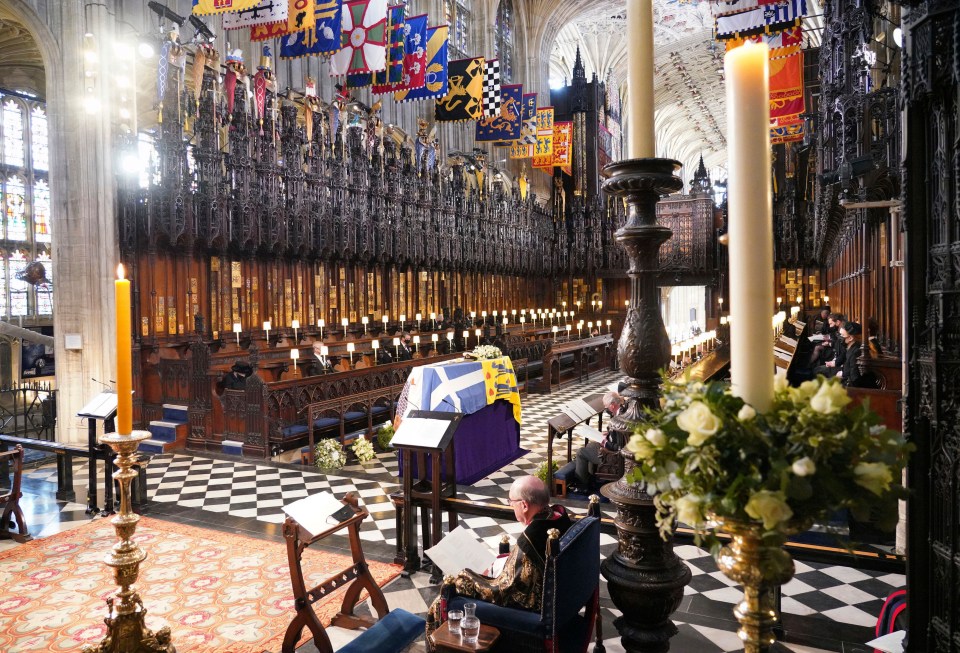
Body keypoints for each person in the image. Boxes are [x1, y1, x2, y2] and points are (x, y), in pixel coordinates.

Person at [425, 476, 572, 645]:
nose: (511, 506)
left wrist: (467, 577)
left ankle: (441, 647)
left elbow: (505, 592)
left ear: (524, 505)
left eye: (511, 502)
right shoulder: (558, 516)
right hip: (562, 598)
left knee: (443, 598)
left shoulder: (530, 539)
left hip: (534, 612)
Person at [573, 391, 624, 493]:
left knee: (581, 452)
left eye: (606, 407)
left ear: (613, 406)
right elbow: (618, 436)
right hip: (613, 448)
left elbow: (618, 446)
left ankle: (582, 486)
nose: (606, 409)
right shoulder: (622, 411)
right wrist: (609, 434)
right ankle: (592, 480)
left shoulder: (619, 419)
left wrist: (605, 442)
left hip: (614, 456)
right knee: (590, 445)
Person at [836, 321, 863, 387]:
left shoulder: (856, 352)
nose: (840, 337)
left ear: (850, 338)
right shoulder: (850, 347)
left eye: (842, 335)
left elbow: (854, 378)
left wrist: (842, 376)